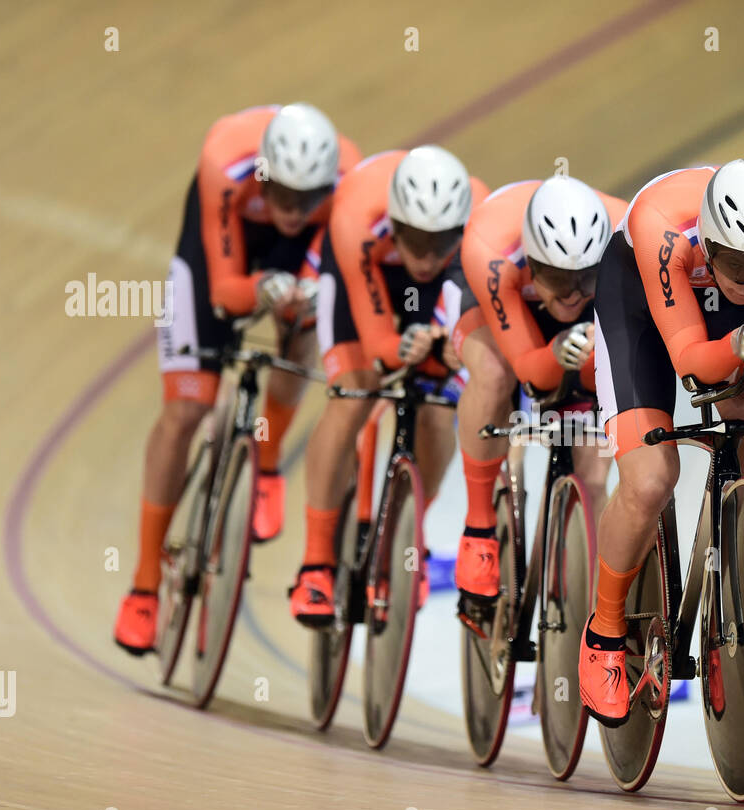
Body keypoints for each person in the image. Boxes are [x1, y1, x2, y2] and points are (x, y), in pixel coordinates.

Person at [580, 160, 744, 723]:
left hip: (722, 317)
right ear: (710, 242)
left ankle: (721, 586)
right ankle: (605, 629)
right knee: (651, 480)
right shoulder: (660, 225)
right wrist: (741, 342)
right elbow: (692, 364)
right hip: (640, 302)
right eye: (737, 263)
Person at [114, 103, 360, 654]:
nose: (295, 211)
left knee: (303, 321)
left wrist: (299, 291)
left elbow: (324, 267)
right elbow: (225, 290)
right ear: (264, 175)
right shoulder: (225, 164)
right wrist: (260, 289)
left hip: (295, 258)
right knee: (186, 410)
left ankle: (266, 466)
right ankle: (145, 585)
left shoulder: (346, 183)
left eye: (308, 200)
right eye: (285, 197)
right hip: (222, 251)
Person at [288, 146, 489, 625]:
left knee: (442, 401)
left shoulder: (479, 226)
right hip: (364, 270)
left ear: (457, 231)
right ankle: (316, 564)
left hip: (445, 284)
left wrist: (442, 346)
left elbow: (461, 326)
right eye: (416, 240)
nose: (425, 255)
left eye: (439, 242)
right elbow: (379, 341)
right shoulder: (357, 216)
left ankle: (406, 533)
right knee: (355, 391)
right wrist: (401, 348)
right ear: (395, 224)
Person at [447, 176, 626, 618]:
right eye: (558, 281)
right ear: (531, 263)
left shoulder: (627, 233)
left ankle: (576, 611)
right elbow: (530, 372)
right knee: (493, 371)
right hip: (503, 303)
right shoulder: (491, 249)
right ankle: (479, 530)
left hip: (584, 318)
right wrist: (553, 355)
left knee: (593, 474)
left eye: (585, 279)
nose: (571, 294)